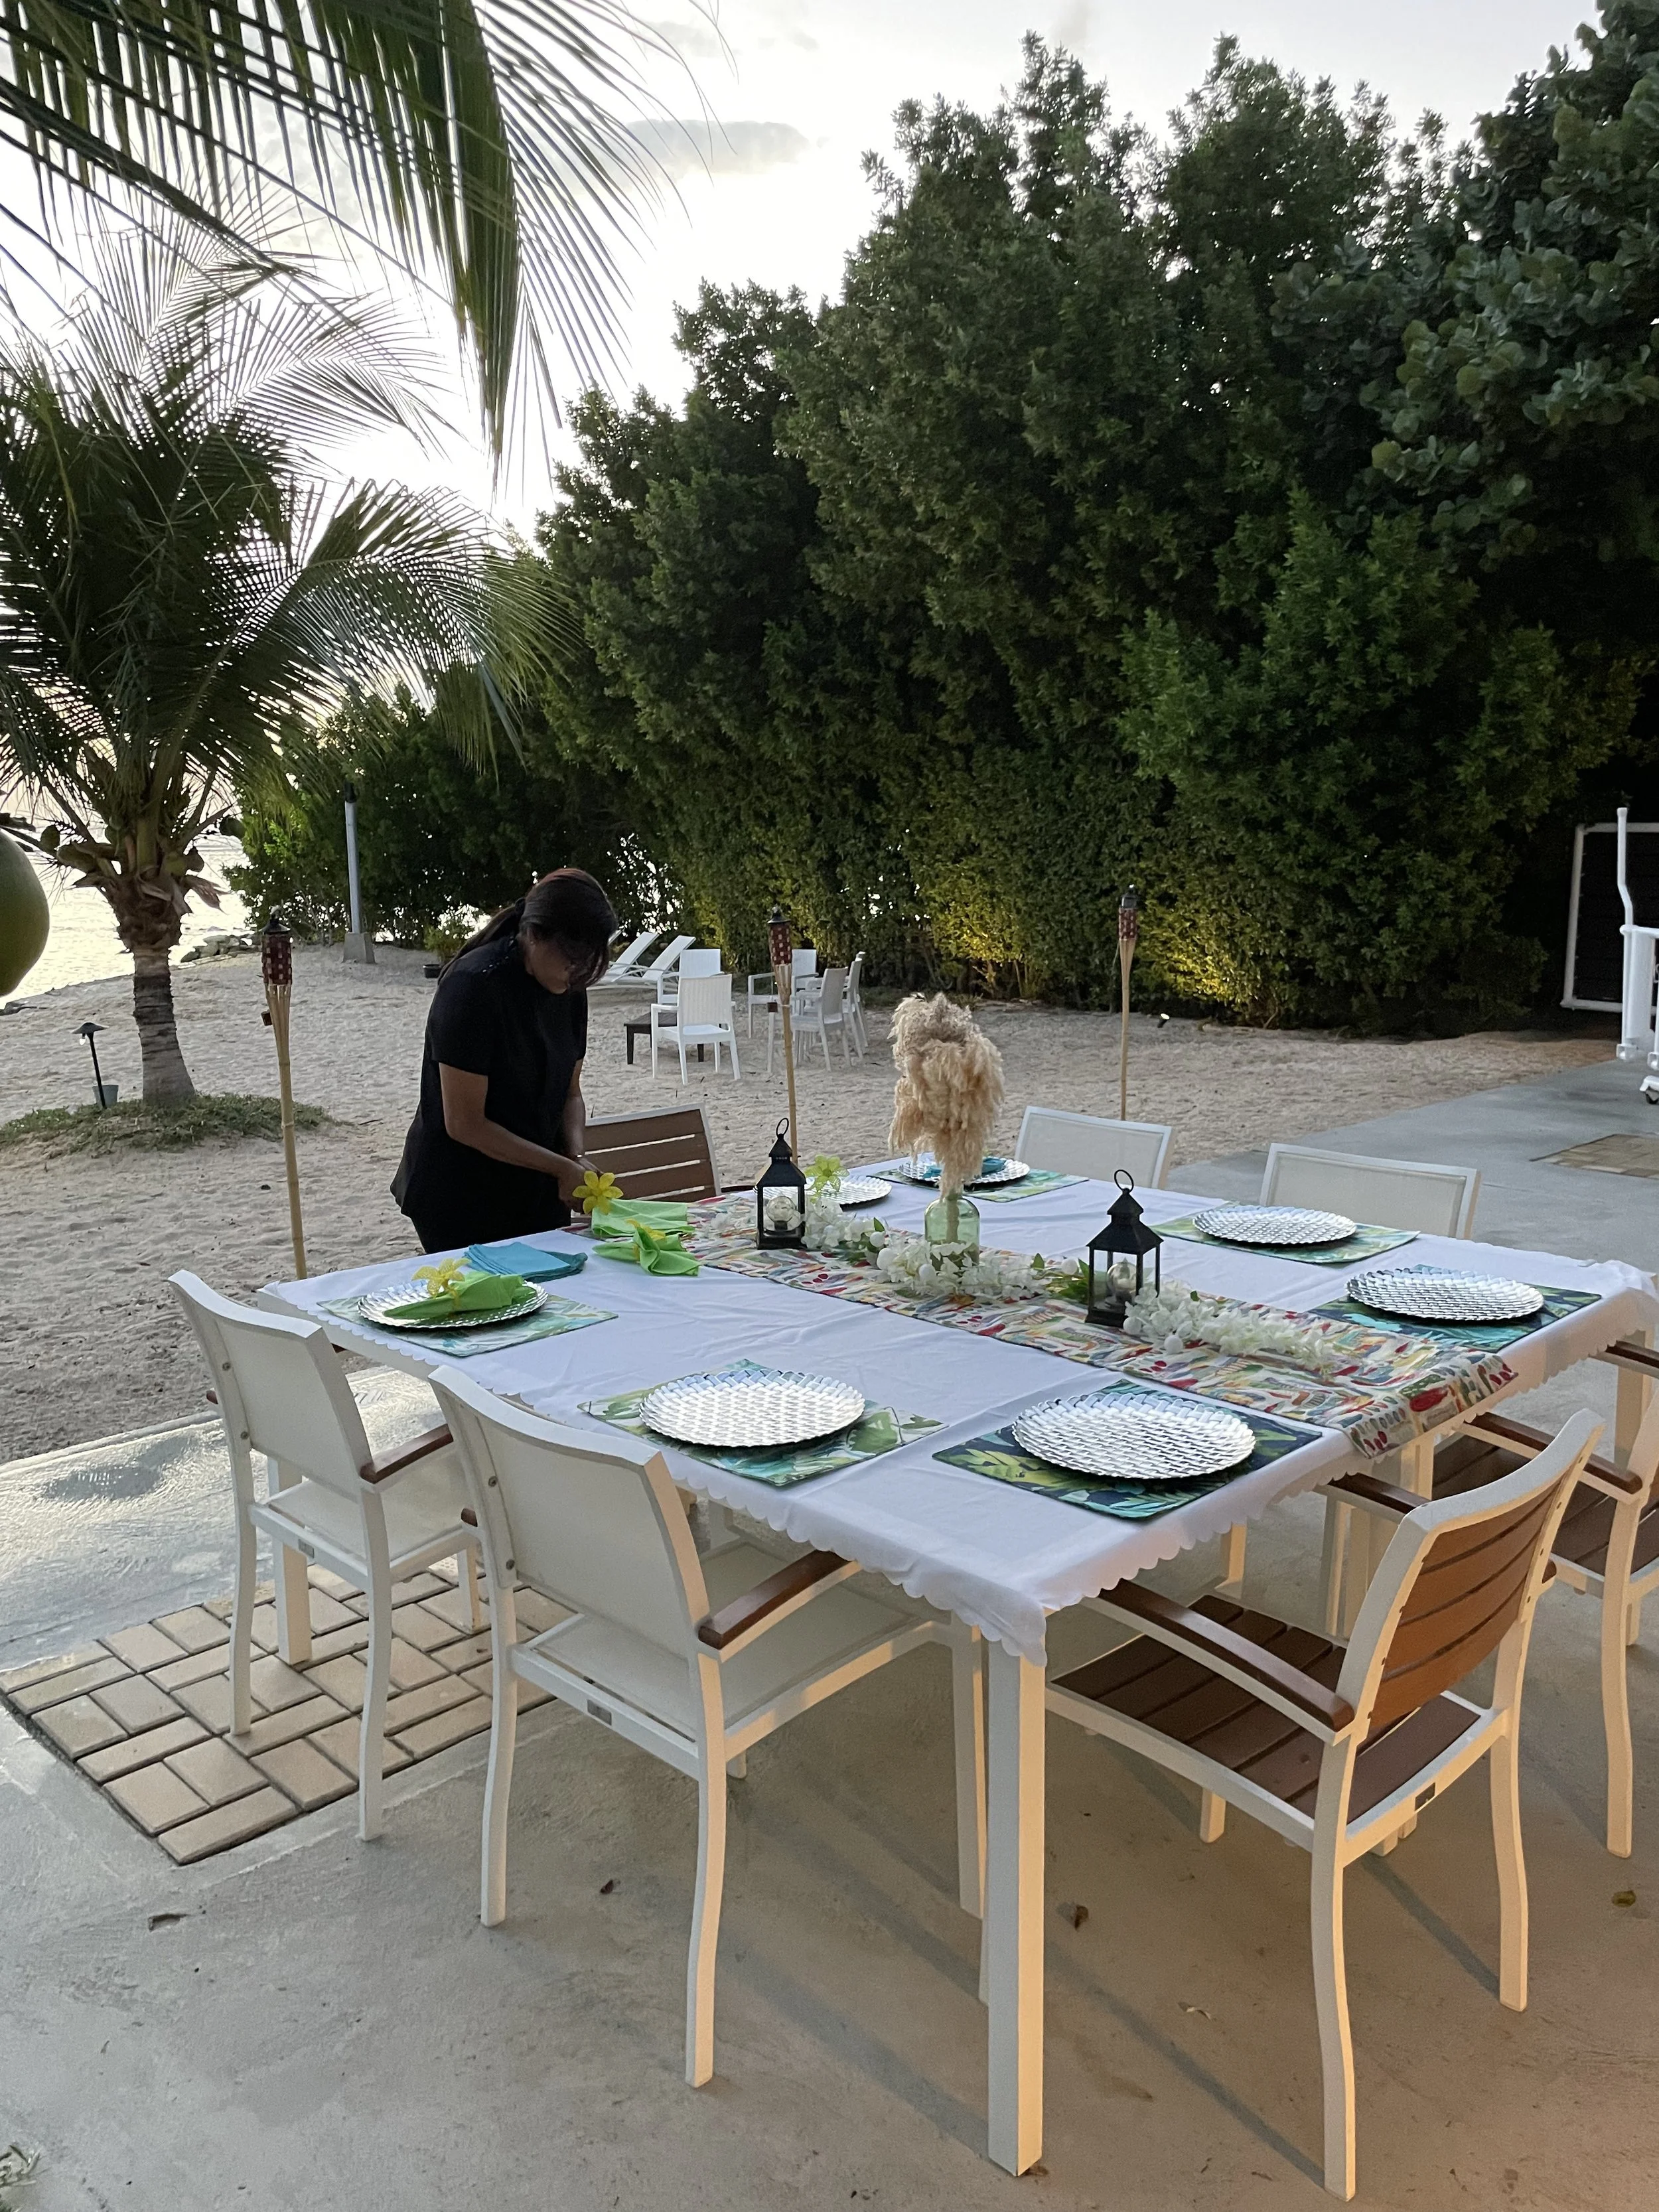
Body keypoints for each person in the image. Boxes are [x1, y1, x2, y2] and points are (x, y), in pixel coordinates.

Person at [392, 868, 618, 1252]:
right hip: (459, 1193)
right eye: (570, 960)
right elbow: (464, 1123)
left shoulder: (570, 992)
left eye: (587, 964)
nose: (576, 973)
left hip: (536, 1184)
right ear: (533, 935)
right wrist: (560, 1167)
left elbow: (570, 1094)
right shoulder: (474, 986)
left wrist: (575, 1156)